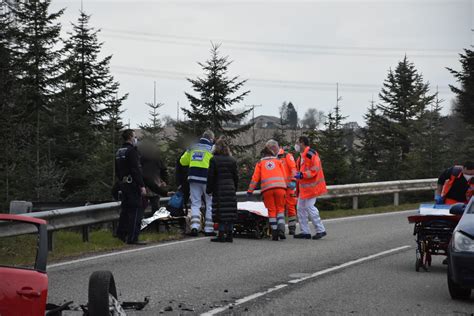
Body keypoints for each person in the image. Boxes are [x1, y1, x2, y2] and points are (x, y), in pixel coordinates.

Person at [179, 130, 215, 236]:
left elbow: (183, 161)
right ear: (211, 139)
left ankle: (194, 227)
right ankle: (209, 229)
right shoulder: (212, 148)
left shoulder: (192, 146)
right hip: (207, 179)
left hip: (193, 178)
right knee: (209, 203)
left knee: (195, 203)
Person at [247, 146, 287, 241]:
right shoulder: (278, 161)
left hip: (267, 190)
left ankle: (274, 232)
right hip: (280, 188)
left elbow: (255, 178)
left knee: (272, 210)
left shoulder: (260, 163)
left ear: (263, 154)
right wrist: (286, 186)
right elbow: (284, 175)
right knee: (280, 209)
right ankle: (281, 228)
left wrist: (250, 190)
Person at [115, 129, 147, 245]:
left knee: (125, 210)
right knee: (136, 210)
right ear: (130, 137)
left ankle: (121, 235)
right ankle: (133, 237)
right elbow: (136, 169)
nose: (136, 138)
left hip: (123, 184)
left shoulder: (119, 151)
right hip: (133, 184)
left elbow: (117, 170)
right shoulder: (132, 151)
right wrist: (141, 185)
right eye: (135, 136)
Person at [293, 136, 328, 240]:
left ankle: (321, 230)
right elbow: (296, 170)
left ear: (302, 143)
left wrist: (302, 175)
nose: (296, 145)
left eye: (297, 142)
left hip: (313, 187)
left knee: (310, 207)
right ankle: (305, 232)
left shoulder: (310, 154)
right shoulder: (301, 157)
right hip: (304, 189)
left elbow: (315, 169)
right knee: (300, 208)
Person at [206, 136, 238, 242]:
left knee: (220, 212)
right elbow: (236, 176)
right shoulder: (232, 160)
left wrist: (208, 189)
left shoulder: (214, 160)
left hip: (219, 188)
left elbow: (211, 176)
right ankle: (230, 235)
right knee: (229, 211)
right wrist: (234, 188)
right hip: (230, 187)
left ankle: (221, 235)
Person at [266, 139, 298, 235]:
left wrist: (293, 181)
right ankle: (281, 229)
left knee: (290, 206)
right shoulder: (271, 158)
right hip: (277, 187)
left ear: (274, 147)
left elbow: (293, 169)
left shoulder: (286, 156)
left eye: (268, 149)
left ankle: (292, 228)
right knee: (279, 208)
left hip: (288, 186)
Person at [139, 141, 169, 213]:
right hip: (154, 186)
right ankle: (154, 222)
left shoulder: (141, 159)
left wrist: (165, 181)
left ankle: (144, 222)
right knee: (155, 206)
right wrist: (165, 181)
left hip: (145, 186)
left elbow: (163, 170)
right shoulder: (156, 159)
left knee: (143, 206)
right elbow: (164, 170)